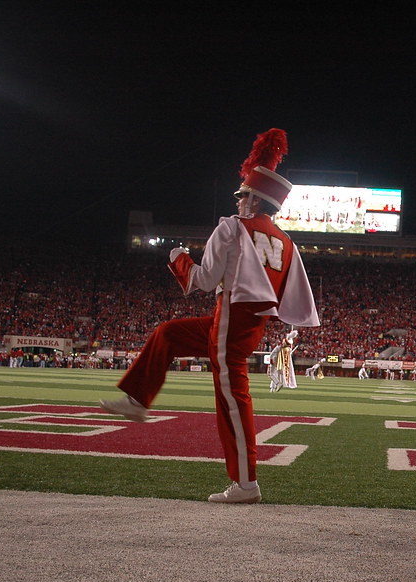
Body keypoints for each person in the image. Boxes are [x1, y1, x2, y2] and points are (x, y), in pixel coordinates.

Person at [100, 128, 320, 503]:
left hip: (231, 318)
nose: (237, 201)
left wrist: (178, 259)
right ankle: (137, 400)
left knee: (232, 399)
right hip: (251, 323)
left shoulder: (232, 227)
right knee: (168, 334)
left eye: (241, 195)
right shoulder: (285, 240)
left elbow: (202, 281)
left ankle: (246, 484)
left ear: (252, 198)